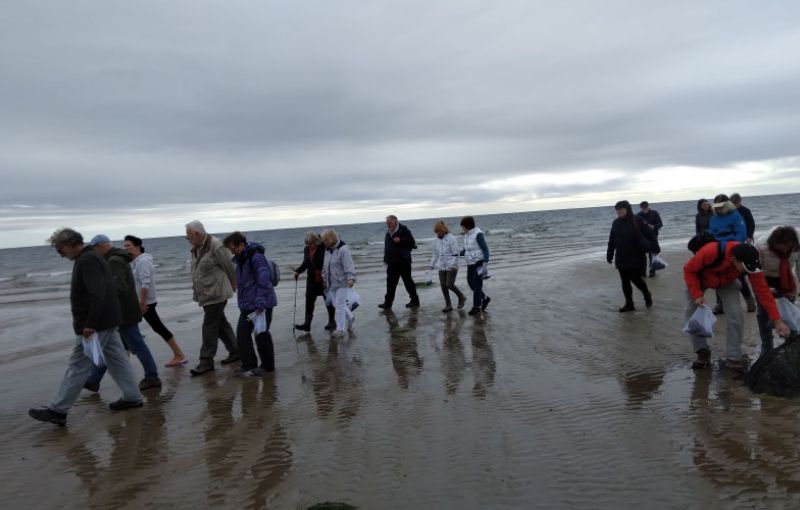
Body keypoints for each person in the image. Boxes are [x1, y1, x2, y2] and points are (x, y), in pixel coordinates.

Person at [29, 228, 143, 426]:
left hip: (96, 326)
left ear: (69, 244)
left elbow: (97, 293)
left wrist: (90, 324)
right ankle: (133, 397)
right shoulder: (93, 256)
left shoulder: (88, 259)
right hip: (107, 321)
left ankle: (58, 410)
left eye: (60, 249)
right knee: (117, 361)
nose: (60, 254)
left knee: (79, 365)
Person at [684, 241, 789, 372]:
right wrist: (697, 294)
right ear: (734, 260)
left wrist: (777, 320)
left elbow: (763, 292)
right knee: (692, 313)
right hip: (699, 280)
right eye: (745, 267)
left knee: (736, 316)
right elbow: (689, 270)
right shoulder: (710, 252)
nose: (748, 271)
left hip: (727, 282)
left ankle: (733, 357)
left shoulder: (751, 259)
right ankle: (702, 352)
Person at [84, 235, 161, 392]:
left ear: (101, 246)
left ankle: (152, 377)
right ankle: (93, 379)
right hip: (122, 313)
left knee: (136, 345)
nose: (94, 252)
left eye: (94, 248)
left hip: (123, 314)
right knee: (111, 347)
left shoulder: (114, 261)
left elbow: (119, 288)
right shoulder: (115, 258)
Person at [123, 235, 188, 367]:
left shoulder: (143, 262)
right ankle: (125, 360)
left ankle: (179, 355)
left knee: (132, 328)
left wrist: (142, 302)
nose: (125, 248)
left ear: (137, 246)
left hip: (144, 303)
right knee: (130, 328)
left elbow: (145, 283)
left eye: (128, 245)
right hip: (140, 302)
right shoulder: (137, 262)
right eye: (124, 246)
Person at [186, 220, 239, 376]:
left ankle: (206, 361)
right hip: (206, 293)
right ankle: (236, 351)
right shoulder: (196, 248)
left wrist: (234, 284)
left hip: (217, 293)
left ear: (198, 234)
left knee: (209, 326)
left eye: (189, 237)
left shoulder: (216, 245)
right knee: (220, 324)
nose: (188, 240)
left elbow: (230, 266)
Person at [224, 232, 277, 377]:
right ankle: (249, 365)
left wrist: (260, 304)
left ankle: (267, 367)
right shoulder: (241, 260)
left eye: (233, 248)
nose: (232, 252)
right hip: (248, 307)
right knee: (242, 334)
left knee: (261, 334)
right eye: (230, 249)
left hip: (261, 306)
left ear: (241, 245)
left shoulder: (256, 258)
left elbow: (264, 281)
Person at [755, 226, 800, 354]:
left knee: (789, 314)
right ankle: (767, 345)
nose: (785, 250)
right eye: (782, 246)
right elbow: (756, 273)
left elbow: (799, 267)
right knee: (763, 314)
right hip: (765, 279)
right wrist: (766, 290)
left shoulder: (796, 246)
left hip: (787, 281)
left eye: (788, 246)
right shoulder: (760, 246)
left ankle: (791, 344)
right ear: (775, 243)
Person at [607, 200, 657, 312]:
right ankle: (629, 304)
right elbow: (612, 239)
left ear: (627, 209)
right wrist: (609, 253)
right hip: (621, 256)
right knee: (625, 281)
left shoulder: (637, 220)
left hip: (636, 256)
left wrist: (656, 248)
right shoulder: (616, 223)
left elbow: (650, 234)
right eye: (617, 210)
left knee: (635, 279)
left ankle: (646, 294)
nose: (618, 211)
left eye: (621, 209)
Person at [709, 194, 755, 314]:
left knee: (739, 277)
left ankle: (749, 301)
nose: (719, 208)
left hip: (733, 250)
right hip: (718, 251)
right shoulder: (713, 218)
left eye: (721, 206)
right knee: (718, 277)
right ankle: (720, 304)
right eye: (717, 206)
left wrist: (731, 246)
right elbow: (711, 234)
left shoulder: (736, 216)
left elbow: (741, 234)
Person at [293, 231, 336, 332]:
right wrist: (298, 271)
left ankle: (332, 321)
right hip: (311, 279)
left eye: (311, 243)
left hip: (324, 278)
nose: (309, 246)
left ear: (316, 241)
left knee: (328, 300)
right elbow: (305, 262)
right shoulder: (307, 249)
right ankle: (307, 324)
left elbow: (328, 262)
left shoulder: (323, 247)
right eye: (307, 244)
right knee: (309, 299)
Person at [321, 229, 357, 338]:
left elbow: (348, 265)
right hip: (331, 282)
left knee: (340, 306)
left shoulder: (343, 249)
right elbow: (325, 266)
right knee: (336, 304)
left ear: (331, 239)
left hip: (342, 281)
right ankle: (350, 318)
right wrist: (324, 278)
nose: (324, 243)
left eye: (325, 241)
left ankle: (340, 330)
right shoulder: (328, 250)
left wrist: (351, 278)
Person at [378, 215, 419, 309]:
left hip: (404, 262)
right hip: (392, 262)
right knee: (390, 284)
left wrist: (401, 240)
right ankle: (388, 303)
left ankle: (415, 301)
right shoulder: (388, 233)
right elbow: (387, 247)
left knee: (408, 282)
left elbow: (412, 242)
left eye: (390, 223)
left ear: (396, 222)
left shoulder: (404, 230)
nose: (388, 225)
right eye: (387, 223)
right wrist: (386, 259)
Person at [429, 220, 466, 312]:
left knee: (449, 284)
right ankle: (448, 305)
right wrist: (431, 266)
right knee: (443, 286)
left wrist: (452, 265)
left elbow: (455, 253)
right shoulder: (435, 241)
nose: (438, 233)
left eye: (440, 231)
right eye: (437, 232)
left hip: (452, 266)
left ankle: (461, 297)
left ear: (444, 230)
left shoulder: (451, 238)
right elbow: (435, 255)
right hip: (441, 266)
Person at [460, 216, 491, 316]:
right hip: (470, 262)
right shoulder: (467, 235)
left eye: (463, 227)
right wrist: (456, 253)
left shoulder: (478, 234)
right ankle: (484, 298)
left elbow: (485, 249)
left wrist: (485, 263)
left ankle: (476, 307)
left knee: (477, 284)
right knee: (471, 283)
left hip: (479, 262)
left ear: (468, 226)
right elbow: (466, 250)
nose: (462, 229)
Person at [637, 201, 663, 277]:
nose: (645, 209)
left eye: (646, 207)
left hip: (653, 237)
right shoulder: (638, 215)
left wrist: (653, 226)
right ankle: (642, 272)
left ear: (648, 206)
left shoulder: (654, 213)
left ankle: (652, 271)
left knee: (652, 254)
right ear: (640, 207)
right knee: (641, 256)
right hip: (642, 238)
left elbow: (660, 223)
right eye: (643, 207)